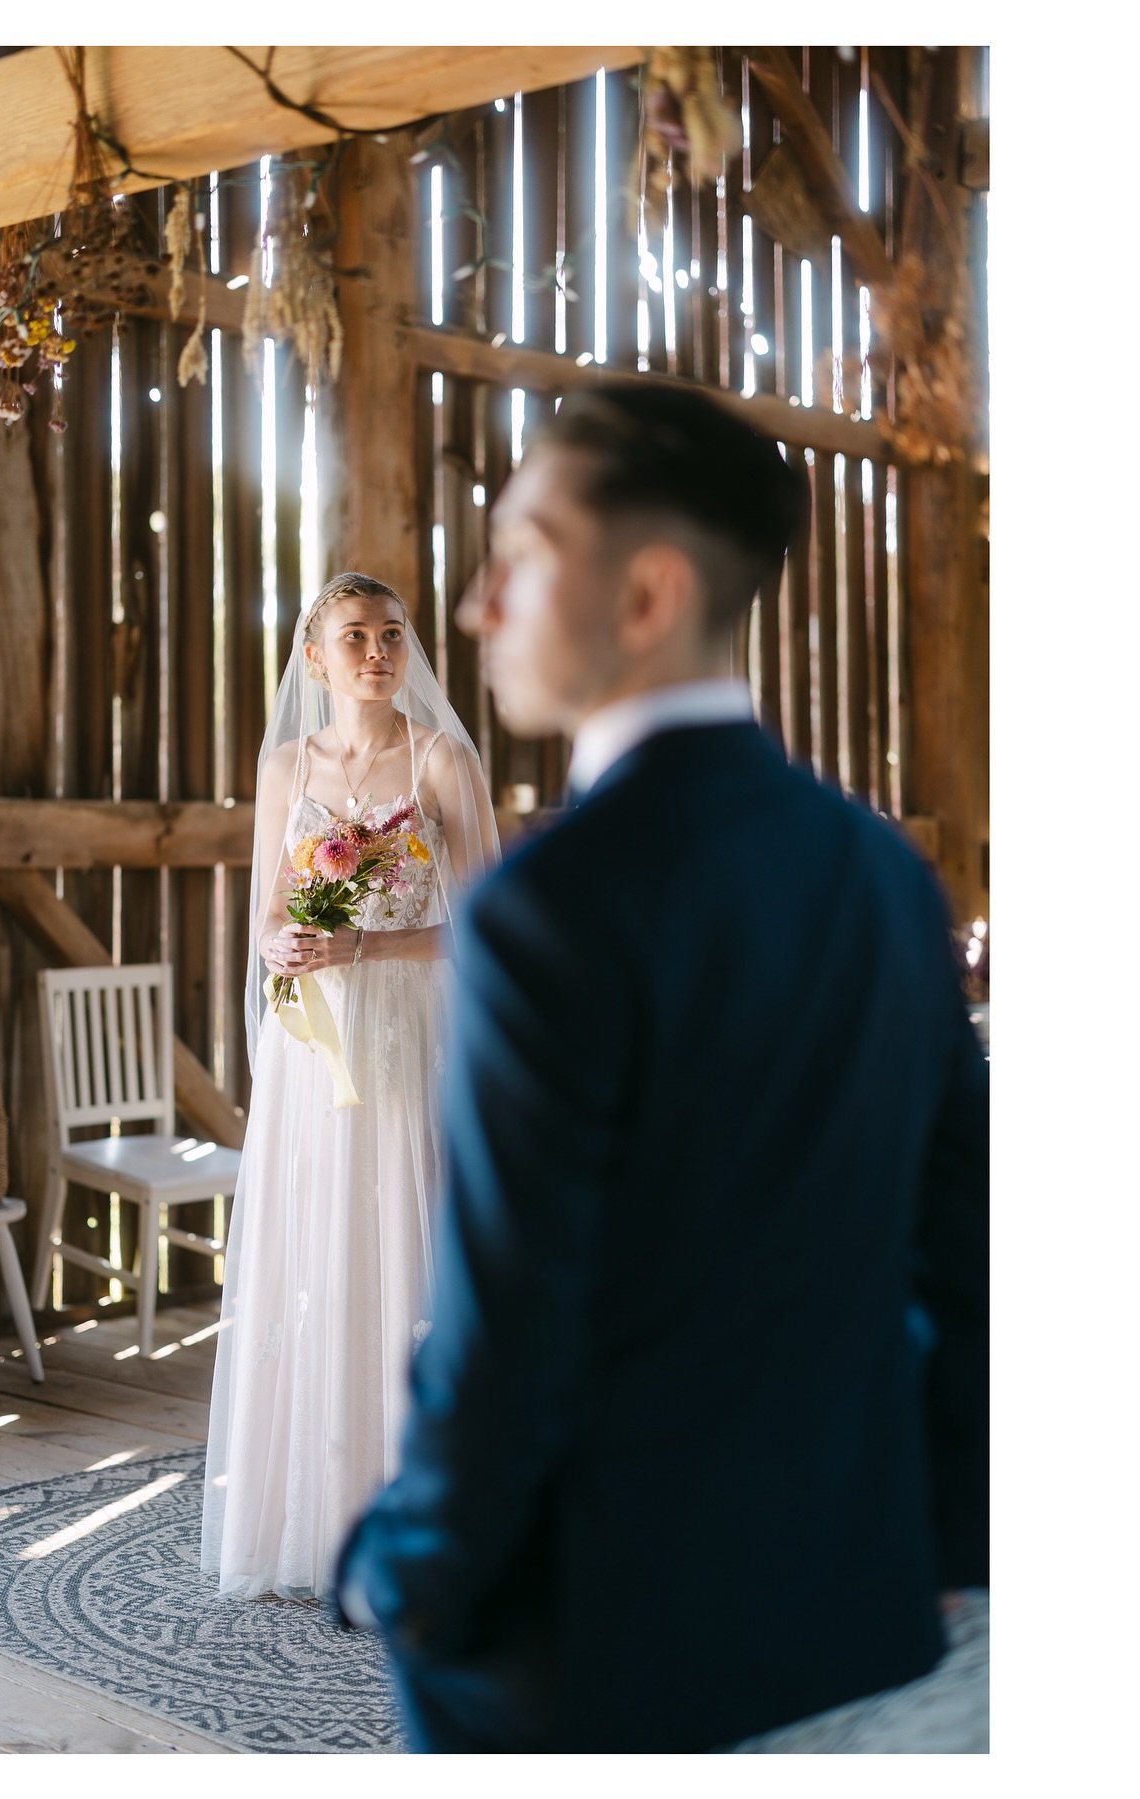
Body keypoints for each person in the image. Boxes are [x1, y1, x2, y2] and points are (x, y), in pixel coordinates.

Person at [333, 387, 989, 1751]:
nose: (474, 605)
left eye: (518, 551)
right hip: (862, 1605)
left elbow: (508, 1325)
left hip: (614, 1638)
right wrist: (957, 1538)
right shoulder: (883, 872)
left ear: (646, 591)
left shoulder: (553, 907)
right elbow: (965, 1255)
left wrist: (410, 1574)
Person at [200, 572, 500, 1600]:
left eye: (391, 633)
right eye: (354, 637)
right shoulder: (287, 764)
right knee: (319, 1249)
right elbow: (262, 923)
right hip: (313, 1043)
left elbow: (484, 925)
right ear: (314, 658)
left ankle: (424, 1516)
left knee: (404, 1251)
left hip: (409, 1030)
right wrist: (290, 943)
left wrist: (366, 941)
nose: (377, 651)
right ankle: (314, 1517)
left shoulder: (441, 758)